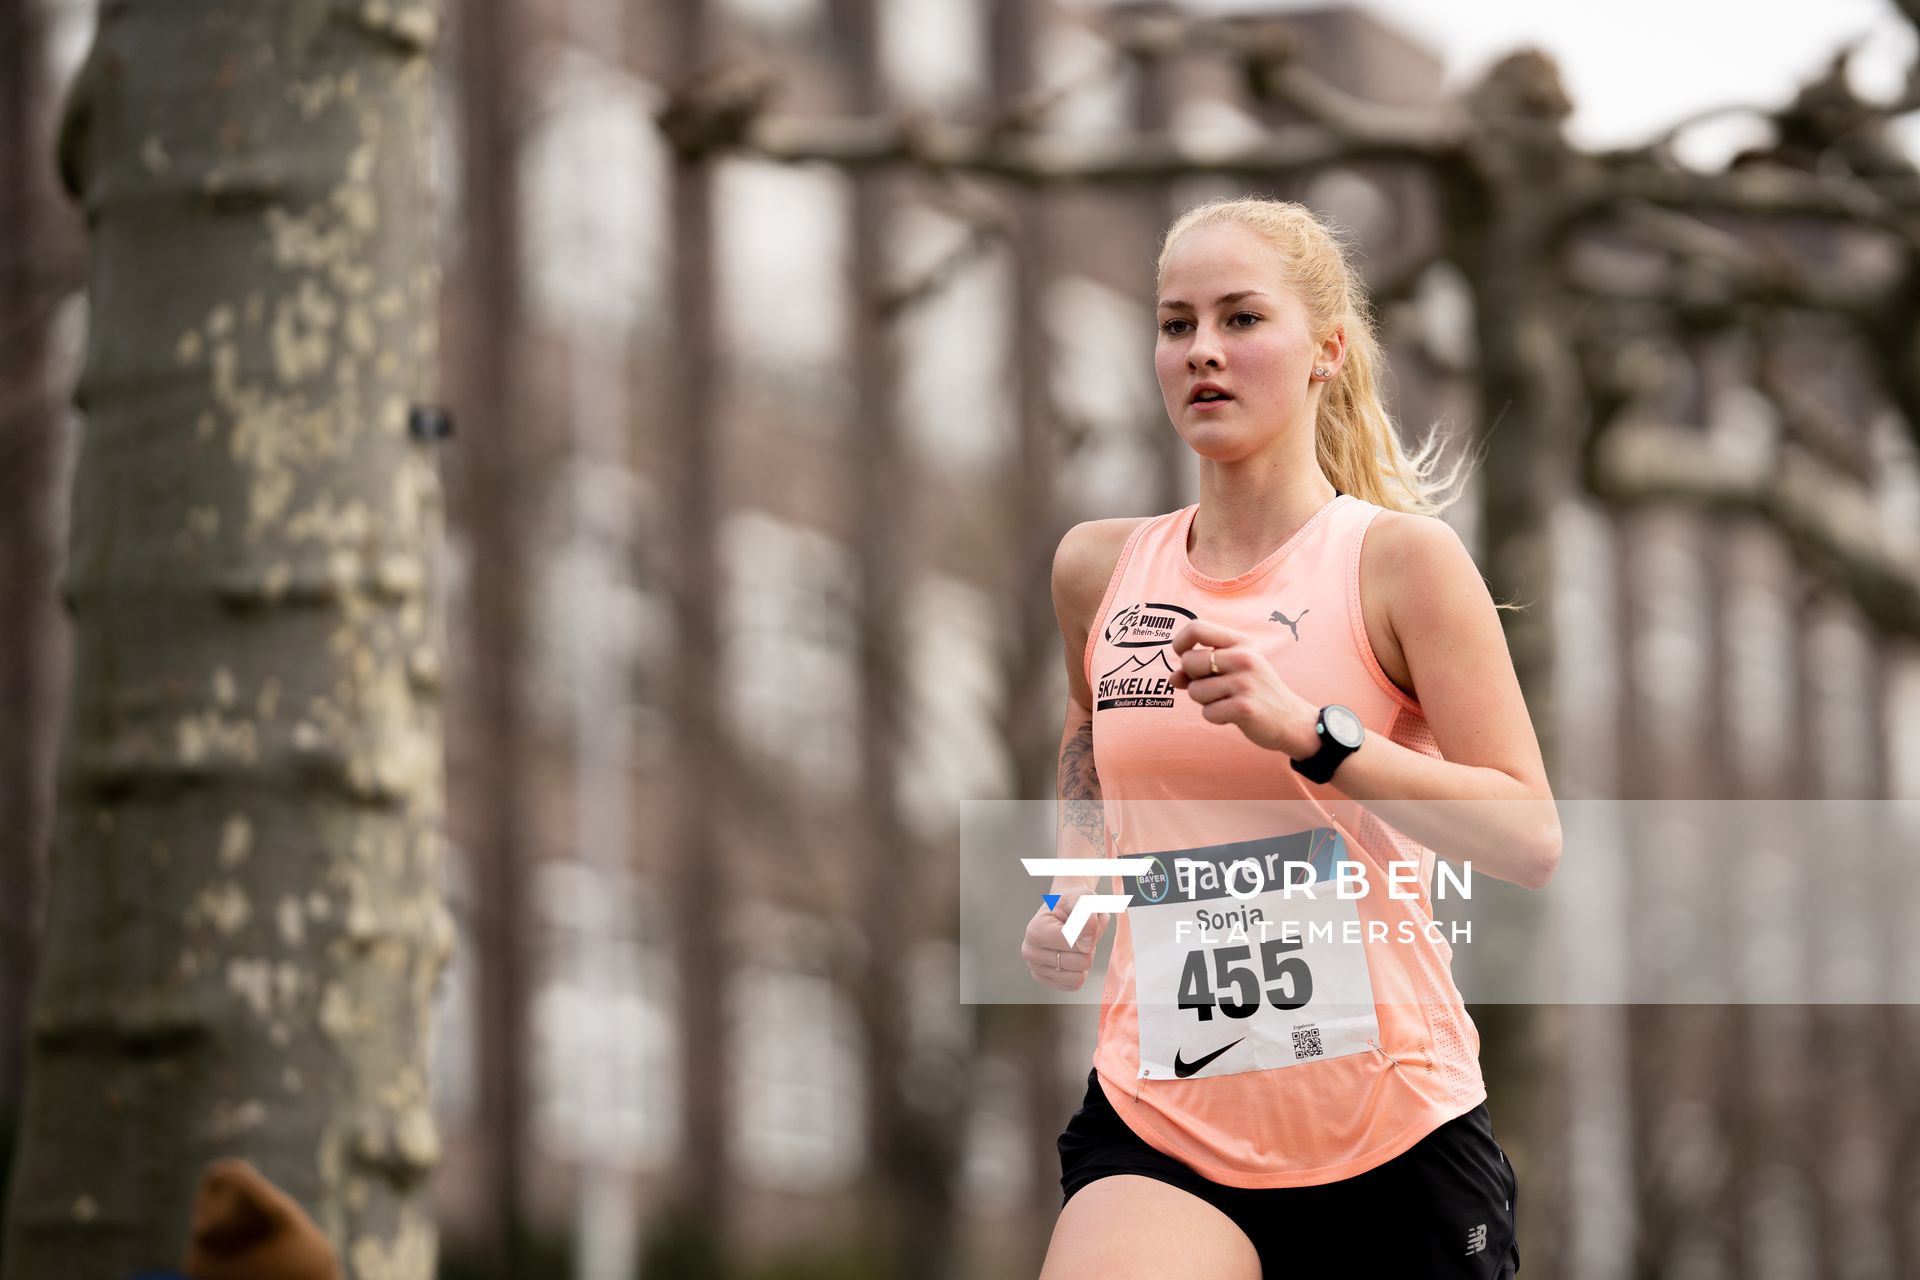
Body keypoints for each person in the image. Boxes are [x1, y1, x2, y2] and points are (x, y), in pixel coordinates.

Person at [1021, 196, 1560, 1278]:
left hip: (1389, 1128)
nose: (1203, 351)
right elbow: (1092, 733)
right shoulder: (1100, 569)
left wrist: (1313, 734)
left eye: (1240, 318)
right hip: (1164, 1118)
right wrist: (1075, 882)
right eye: (1176, 325)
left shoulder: (1401, 565)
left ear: (1327, 350)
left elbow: (1527, 833)